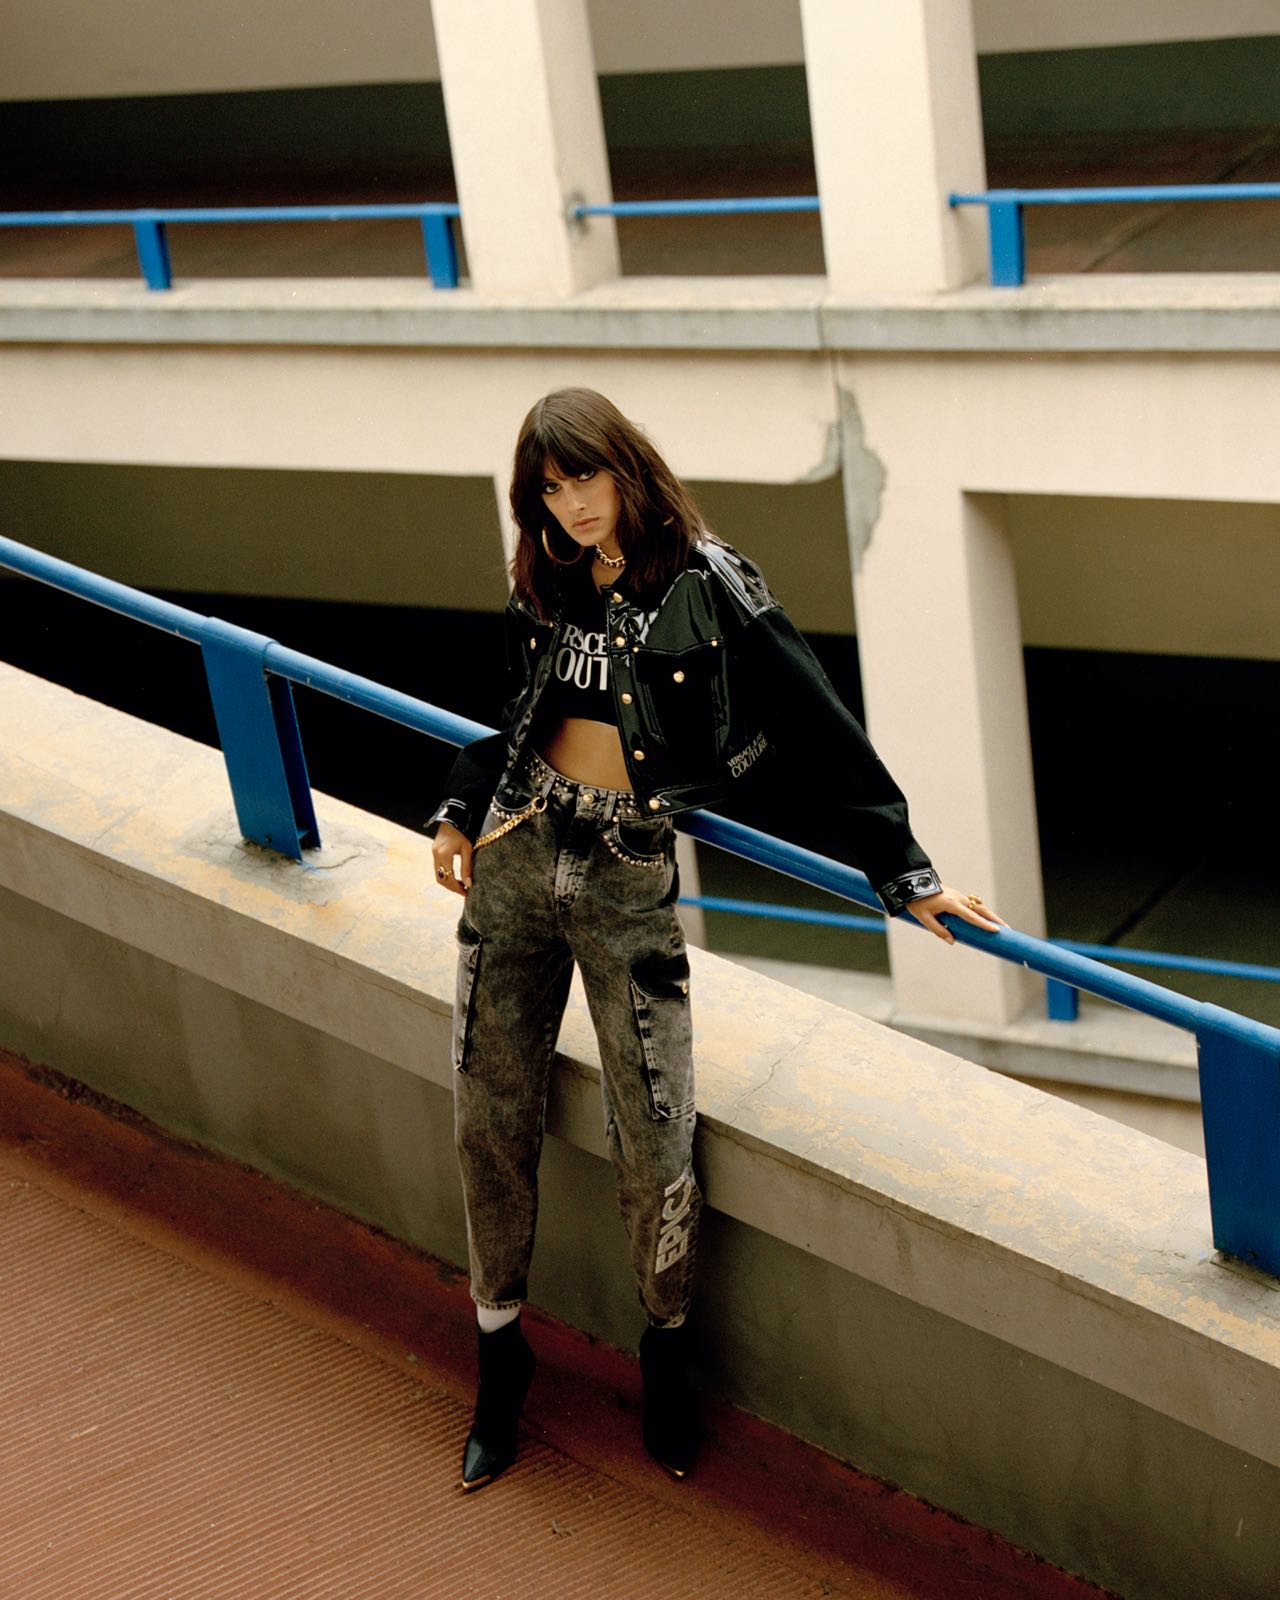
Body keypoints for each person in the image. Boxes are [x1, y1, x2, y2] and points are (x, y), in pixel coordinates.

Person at [428, 387, 1004, 1492]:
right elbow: (519, 717)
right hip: (514, 856)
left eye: (584, 478)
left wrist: (905, 872)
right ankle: (499, 1360)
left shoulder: (706, 579)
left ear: (624, 466)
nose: (570, 505)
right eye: (548, 489)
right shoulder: (545, 575)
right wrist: (460, 807)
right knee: (486, 1118)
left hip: (624, 873)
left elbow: (815, 719)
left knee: (653, 1136)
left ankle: (665, 1353)